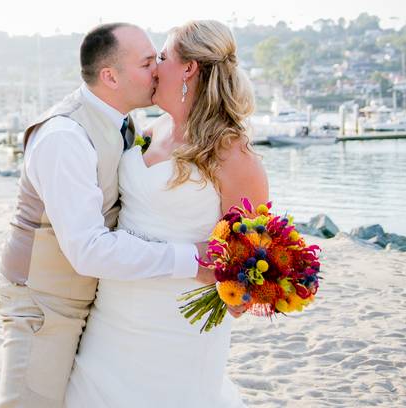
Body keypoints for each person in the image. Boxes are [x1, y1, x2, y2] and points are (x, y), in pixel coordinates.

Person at [0, 23, 217, 408]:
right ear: (110, 76)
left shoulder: (127, 124)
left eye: (158, 59)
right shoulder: (64, 137)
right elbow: (88, 250)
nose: (158, 70)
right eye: (148, 62)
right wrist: (192, 259)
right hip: (44, 307)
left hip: (98, 307)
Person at [65, 20, 267, 407]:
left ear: (189, 68)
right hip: (113, 313)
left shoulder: (232, 153)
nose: (155, 66)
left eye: (162, 56)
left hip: (177, 327)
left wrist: (241, 285)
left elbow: (249, 261)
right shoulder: (153, 128)